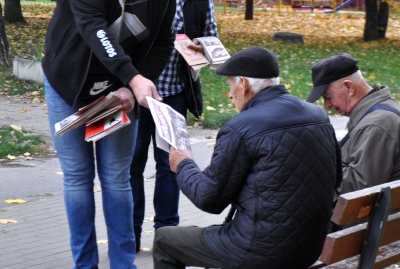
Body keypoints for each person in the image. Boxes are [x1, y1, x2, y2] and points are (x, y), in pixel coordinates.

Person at [41, 0, 177, 269]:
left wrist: (132, 87)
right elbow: (92, 26)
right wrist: (133, 77)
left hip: (119, 92)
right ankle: (84, 265)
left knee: (116, 178)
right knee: (78, 178)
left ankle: (123, 264)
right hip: (68, 84)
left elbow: (164, 42)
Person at [153, 47, 342, 269]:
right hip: (311, 246)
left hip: (261, 251)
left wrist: (183, 164)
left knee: (164, 240)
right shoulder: (317, 115)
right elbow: (336, 178)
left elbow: (209, 199)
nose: (230, 94)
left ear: (243, 83)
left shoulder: (241, 127)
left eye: (231, 86)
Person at [130, 0, 218, 252]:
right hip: (139, 95)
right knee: (132, 166)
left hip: (175, 95)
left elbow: (213, 39)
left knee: (171, 167)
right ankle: (131, 234)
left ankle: (166, 238)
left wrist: (202, 47)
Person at [306, 52, 400, 198]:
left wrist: (311, 170)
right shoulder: (384, 108)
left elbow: (358, 188)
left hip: (371, 219)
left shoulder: (376, 124)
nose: (327, 105)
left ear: (349, 87)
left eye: (328, 97)